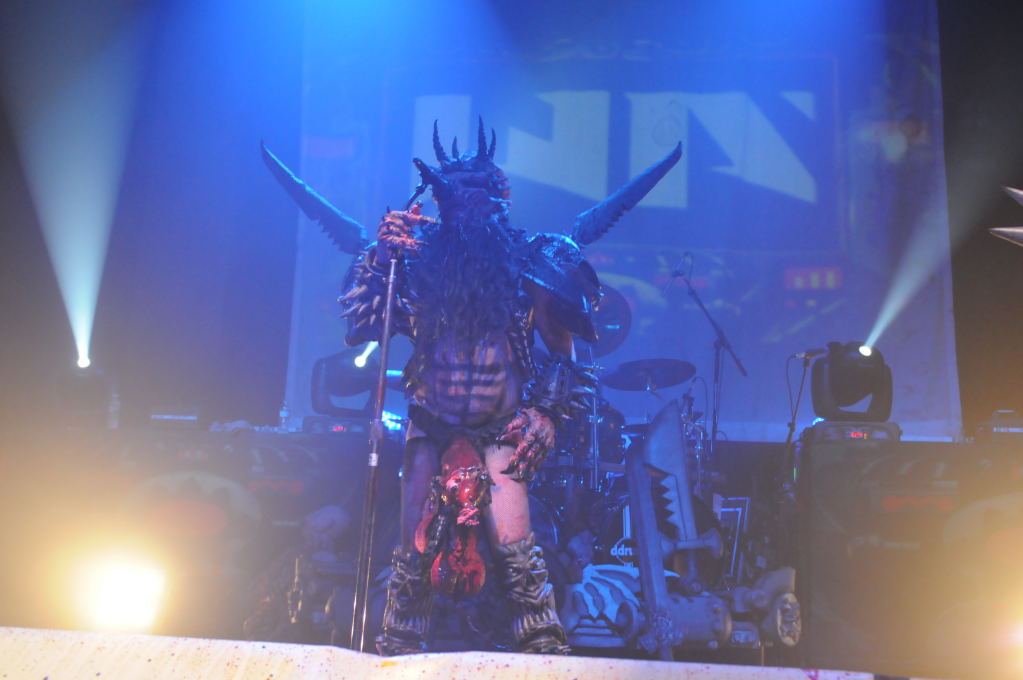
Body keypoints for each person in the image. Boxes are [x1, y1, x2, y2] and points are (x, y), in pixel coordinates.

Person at [263, 120, 680, 655]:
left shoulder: (532, 260)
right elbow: (363, 327)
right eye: (458, 192)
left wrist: (546, 414)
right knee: (413, 552)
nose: (471, 202)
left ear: (501, 195)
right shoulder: (415, 261)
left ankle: (541, 649)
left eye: (481, 190)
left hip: (501, 427)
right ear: (441, 199)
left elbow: (571, 357)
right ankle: (399, 646)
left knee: (516, 549)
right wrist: (382, 258)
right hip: (431, 422)